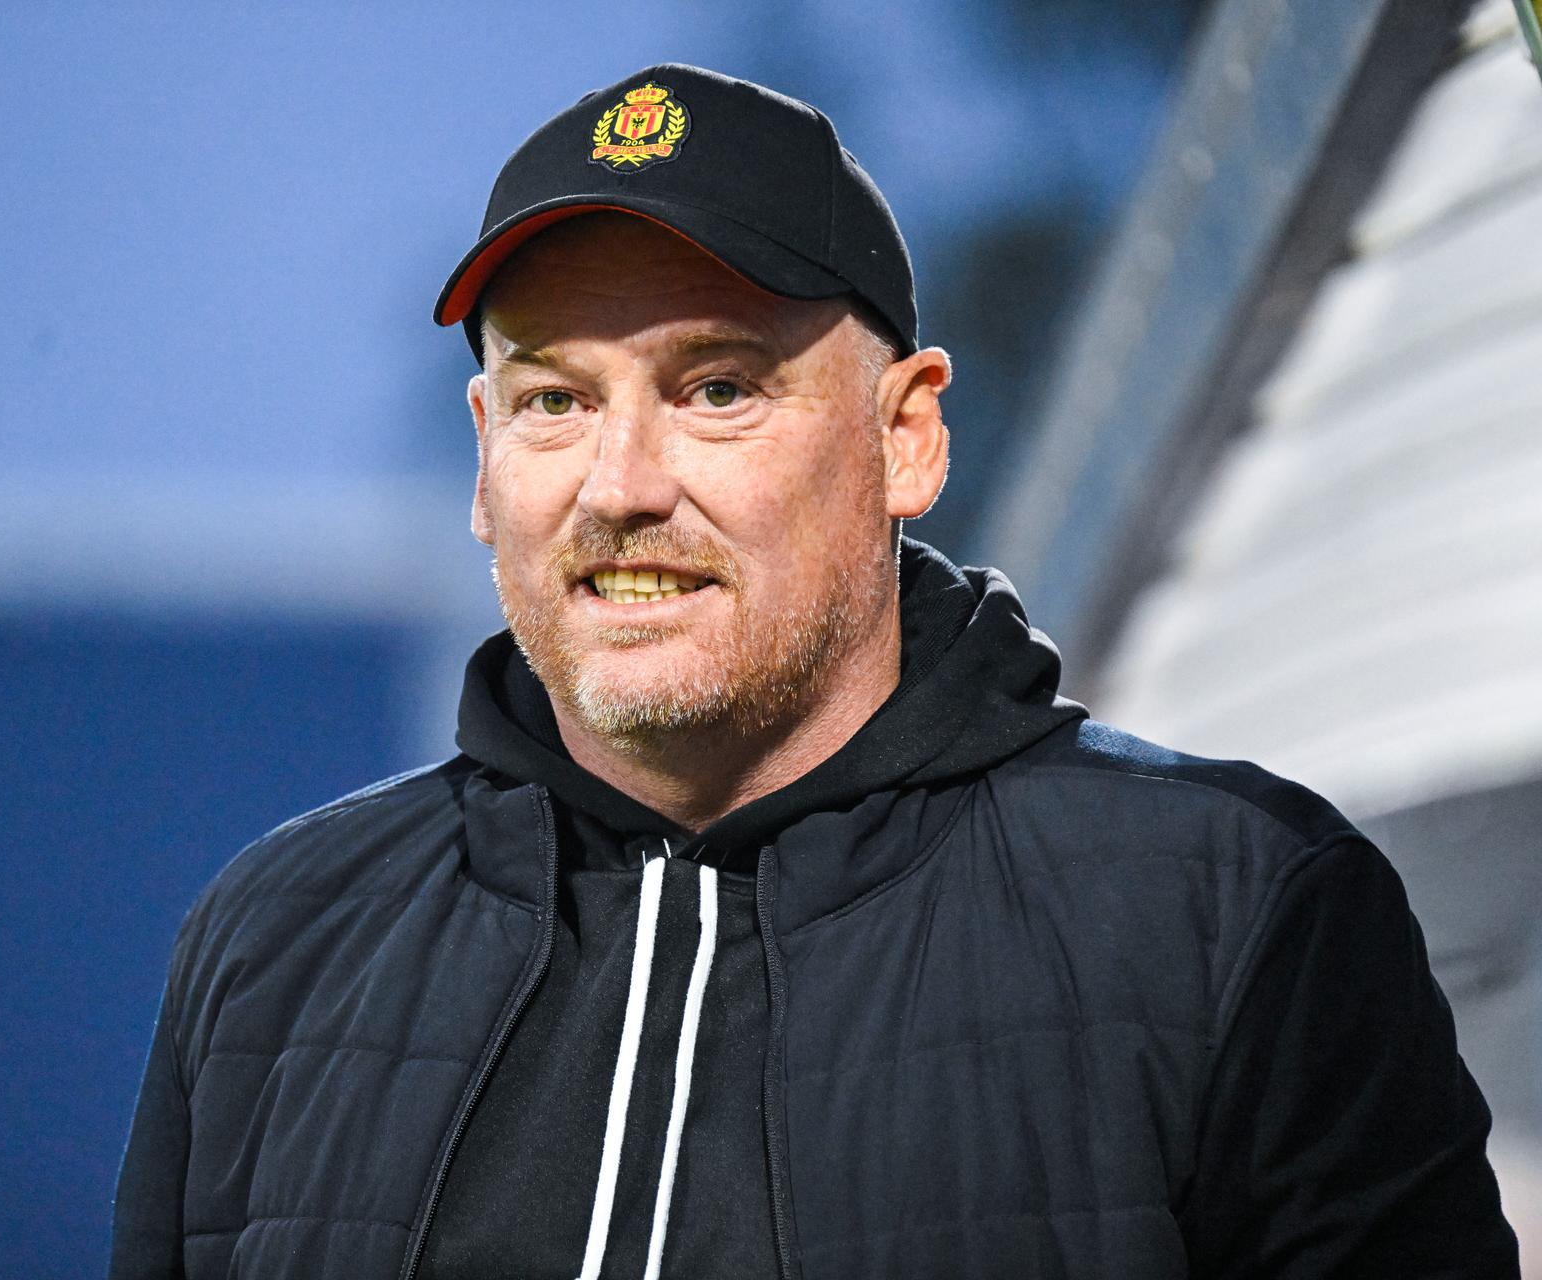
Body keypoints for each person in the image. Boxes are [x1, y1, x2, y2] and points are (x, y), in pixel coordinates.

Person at [107, 64, 1519, 1279]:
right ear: (484, 456)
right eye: (554, 401)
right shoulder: (276, 943)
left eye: (718, 388)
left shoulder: (1238, 910)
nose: (620, 484)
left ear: (906, 438)